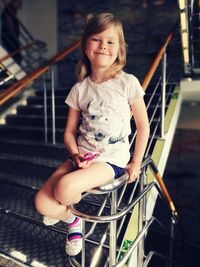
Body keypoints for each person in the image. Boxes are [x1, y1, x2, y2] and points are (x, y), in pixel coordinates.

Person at [34, 13, 150, 256]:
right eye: (97, 39)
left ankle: (75, 220)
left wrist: (136, 163)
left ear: (119, 49)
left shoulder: (128, 83)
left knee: (64, 190)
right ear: (86, 45)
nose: (103, 46)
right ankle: (73, 220)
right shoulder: (80, 89)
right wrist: (76, 155)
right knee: (42, 204)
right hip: (81, 157)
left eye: (110, 41)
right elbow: (68, 132)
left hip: (110, 161)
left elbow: (143, 126)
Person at [1, 0, 23, 64]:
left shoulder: (10, 9)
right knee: (15, 54)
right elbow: (9, 20)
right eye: (20, 4)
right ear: (15, 2)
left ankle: (15, 66)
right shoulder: (9, 9)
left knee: (15, 54)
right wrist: (14, 33)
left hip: (9, 36)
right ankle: (16, 66)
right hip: (10, 36)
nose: (21, 6)